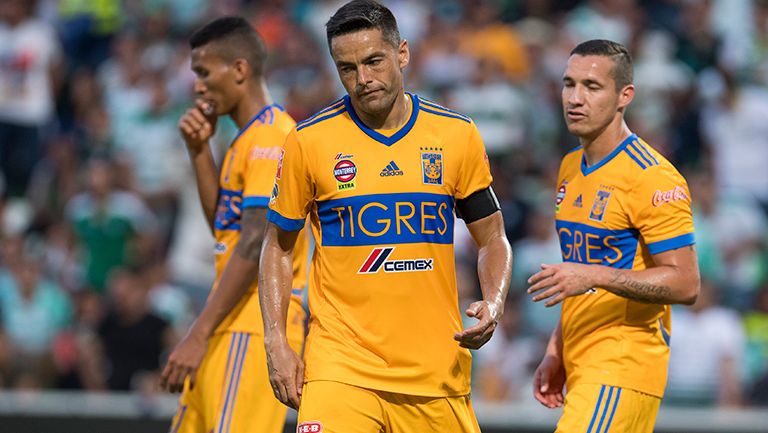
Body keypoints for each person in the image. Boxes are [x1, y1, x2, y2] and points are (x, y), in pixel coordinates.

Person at [259, 1, 513, 432]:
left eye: (373, 61)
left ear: (402, 54)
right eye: (347, 68)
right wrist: (276, 340)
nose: (363, 79)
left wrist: (494, 300)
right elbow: (278, 246)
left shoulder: (456, 135)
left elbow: (492, 239)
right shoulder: (309, 141)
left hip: (434, 371)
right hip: (341, 366)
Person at [527, 39, 701, 433]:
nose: (575, 98)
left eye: (592, 87)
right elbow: (582, 269)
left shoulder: (651, 176)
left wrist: (593, 276)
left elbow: (686, 283)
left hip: (623, 365)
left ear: (625, 96)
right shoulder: (570, 166)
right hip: (582, 363)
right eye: (569, 84)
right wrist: (558, 348)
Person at [159, 17, 309, 433]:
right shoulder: (247, 139)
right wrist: (199, 151)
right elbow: (225, 229)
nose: (198, 86)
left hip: (254, 327)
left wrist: (197, 332)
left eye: (204, 72)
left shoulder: (273, 138)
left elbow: (253, 246)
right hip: (229, 320)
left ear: (239, 70)